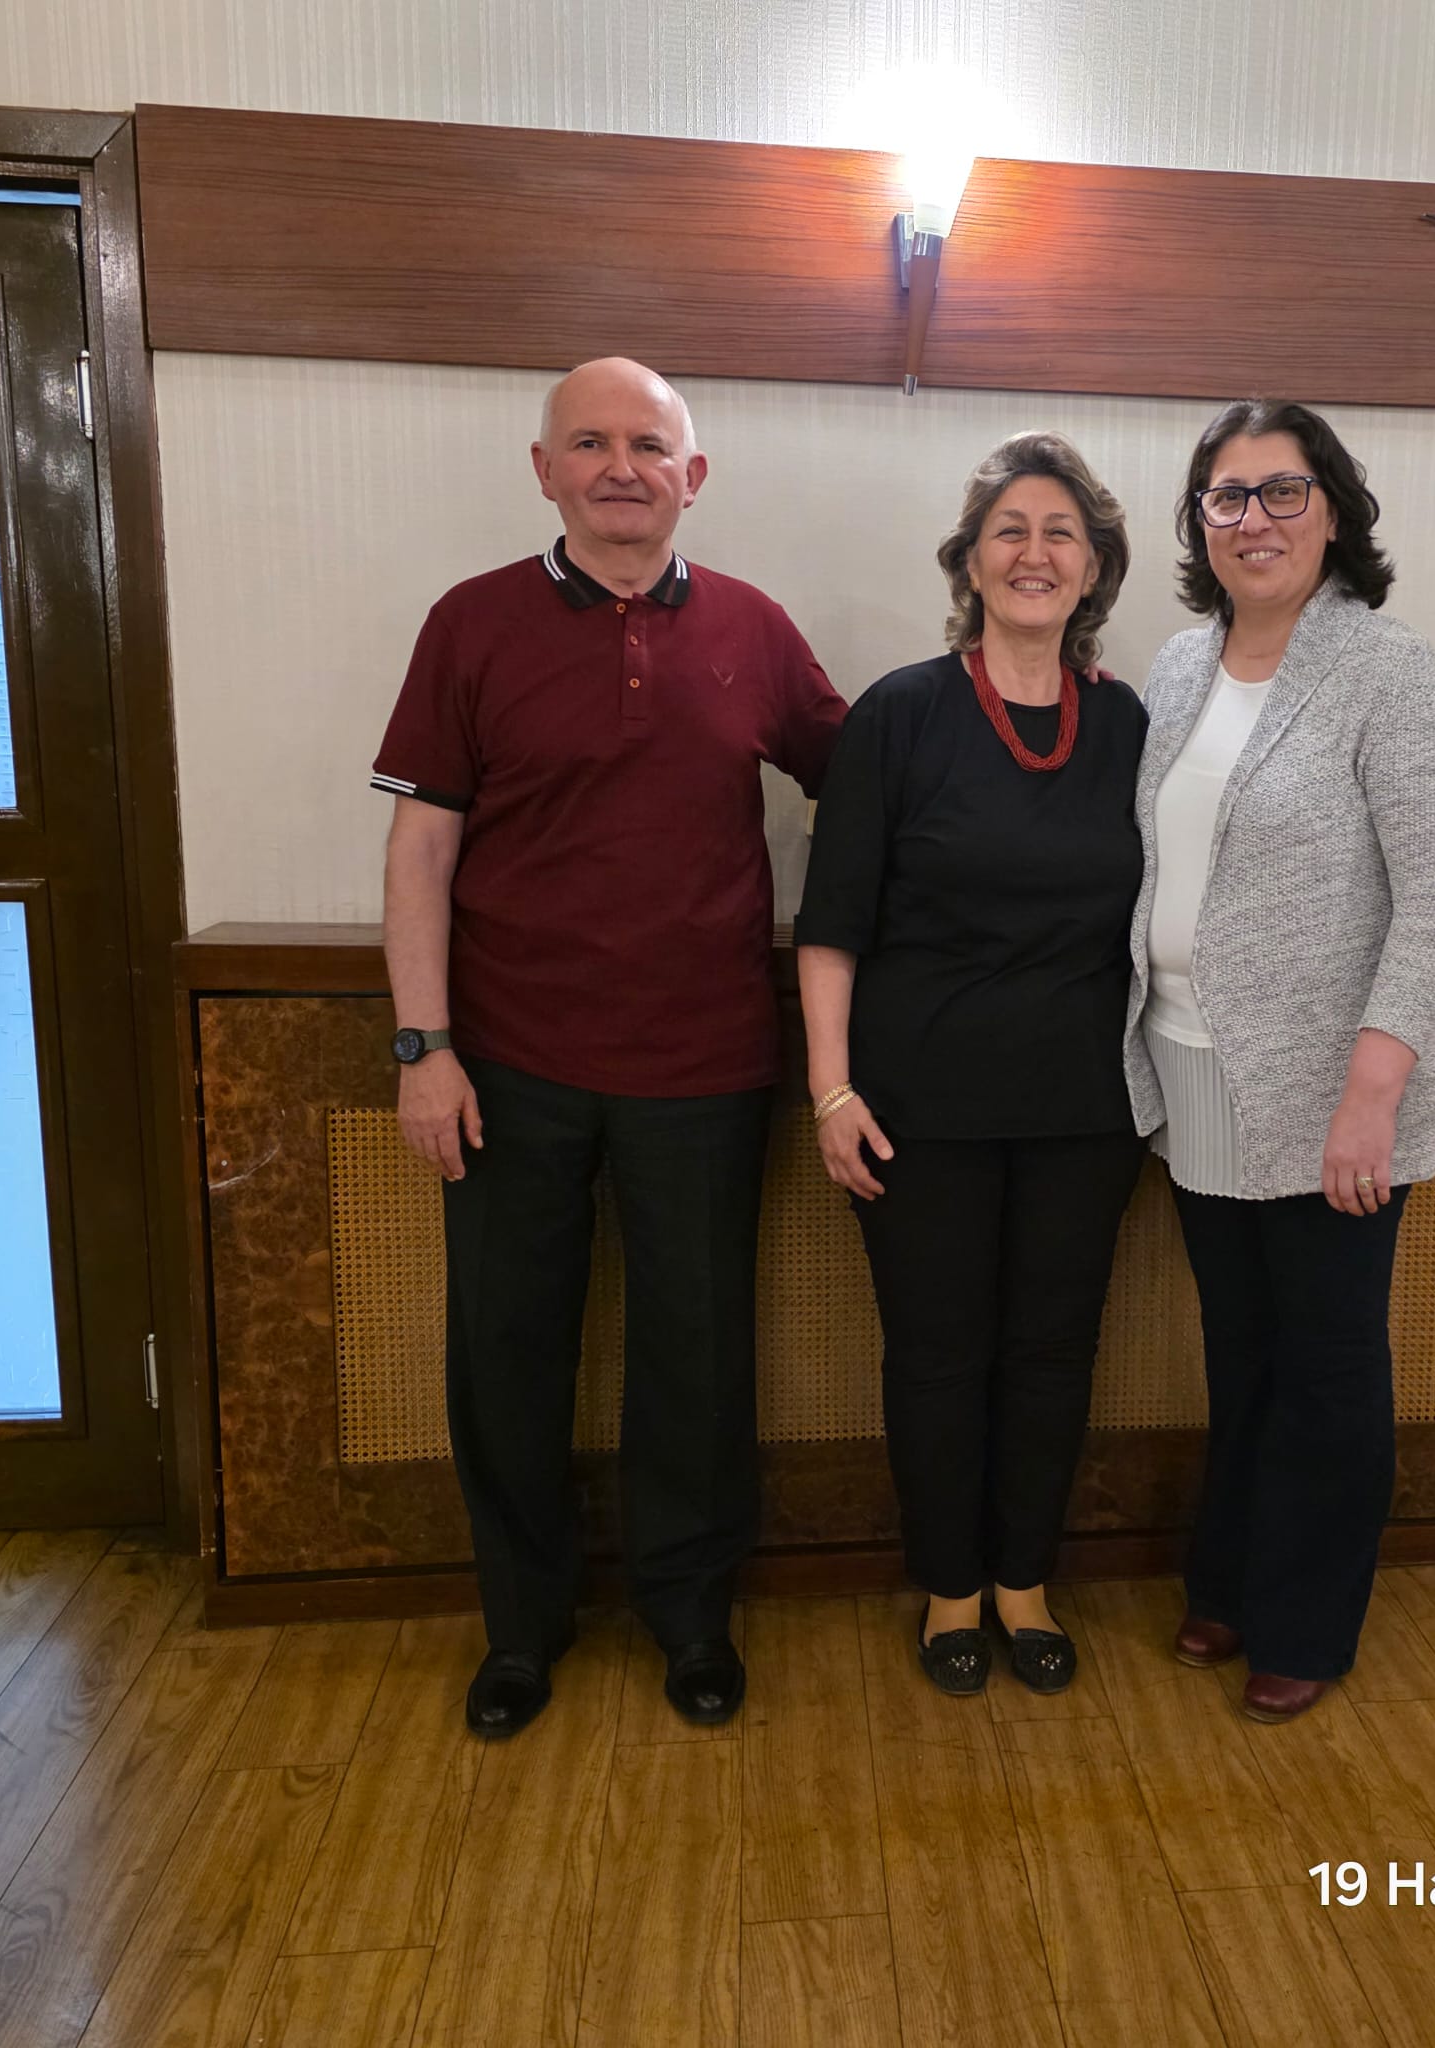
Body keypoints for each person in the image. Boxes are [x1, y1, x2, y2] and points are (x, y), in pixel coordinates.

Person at [372, 357, 847, 1737]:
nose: (620, 467)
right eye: (589, 443)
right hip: (504, 1066)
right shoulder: (469, 623)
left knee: (696, 1359)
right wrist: (422, 1046)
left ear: (692, 476)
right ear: (545, 471)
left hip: (704, 1067)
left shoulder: (755, 629)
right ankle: (522, 1628)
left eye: (648, 444)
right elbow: (421, 849)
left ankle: (690, 1616)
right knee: (505, 1352)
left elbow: (869, 782)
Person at [1125, 399, 1435, 1723]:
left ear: (1333, 511)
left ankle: (1306, 1621)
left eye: (1282, 491)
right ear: (1198, 522)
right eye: (1226, 495)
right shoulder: (1176, 667)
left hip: (1336, 1092)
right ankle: (1230, 1575)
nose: (1253, 518)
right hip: (1191, 1064)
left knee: (1326, 1365)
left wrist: (1371, 1095)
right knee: (1241, 1352)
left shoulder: (1388, 669)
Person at [795, 432, 1144, 1696]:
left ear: (1093, 567)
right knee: (936, 1354)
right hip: (917, 1109)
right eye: (1009, 529)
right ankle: (950, 1585)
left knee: (1050, 1353)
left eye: (1060, 532)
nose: (1033, 552)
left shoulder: (1130, 724)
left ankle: (1023, 1580)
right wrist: (830, 1090)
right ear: (970, 560)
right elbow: (830, 922)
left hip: (1085, 1110)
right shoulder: (898, 713)